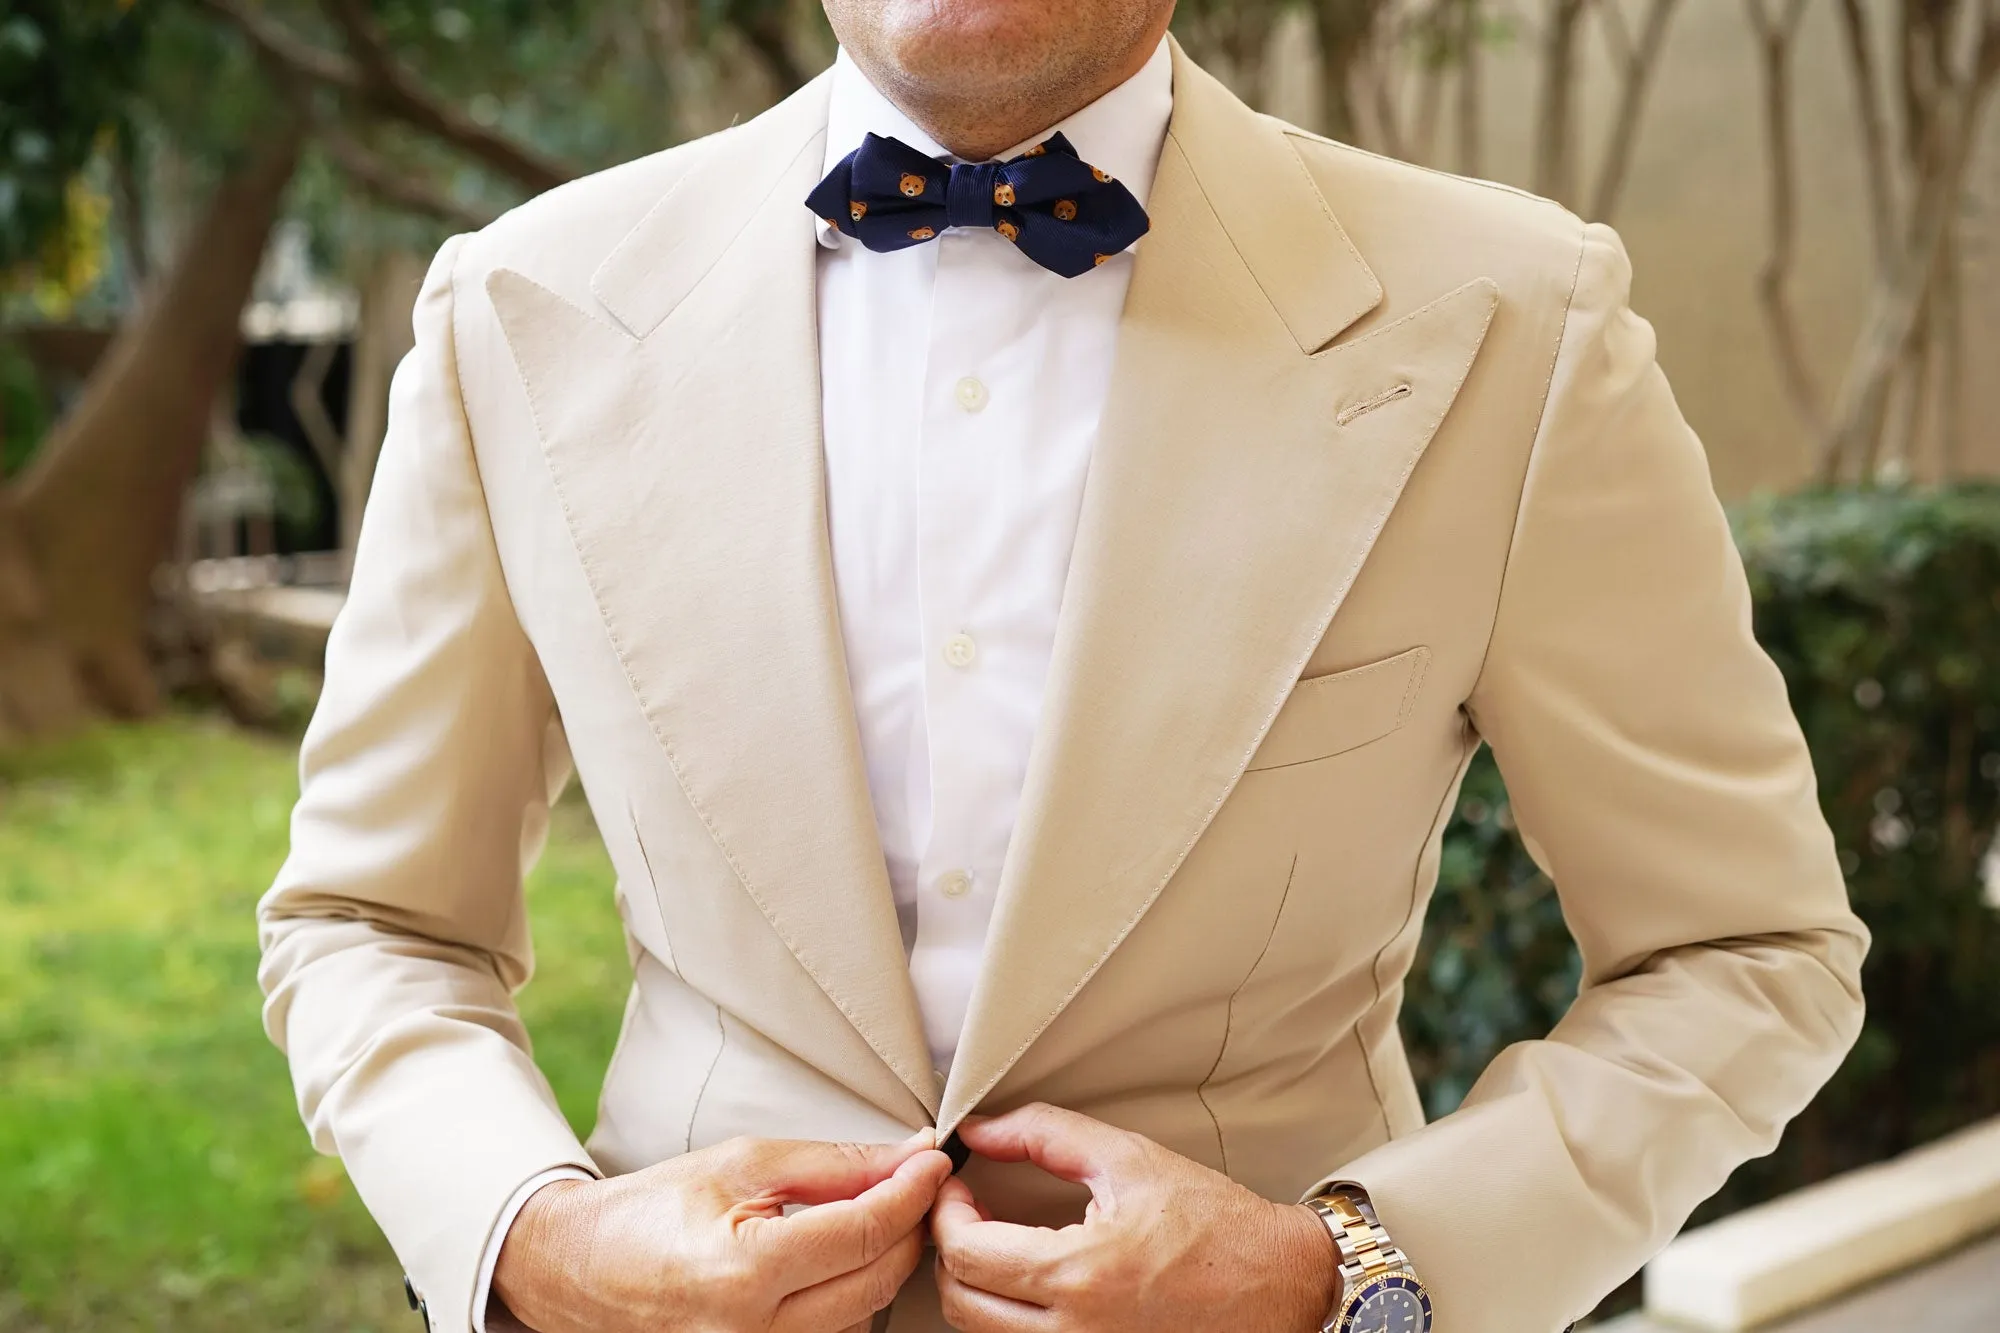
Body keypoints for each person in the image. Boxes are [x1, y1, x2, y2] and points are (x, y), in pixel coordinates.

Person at [257, 1, 1869, 1330]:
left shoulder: (1519, 325)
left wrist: (1348, 1271)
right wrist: (535, 1241)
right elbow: (369, 924)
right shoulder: (520, 310)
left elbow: (1744, 949)